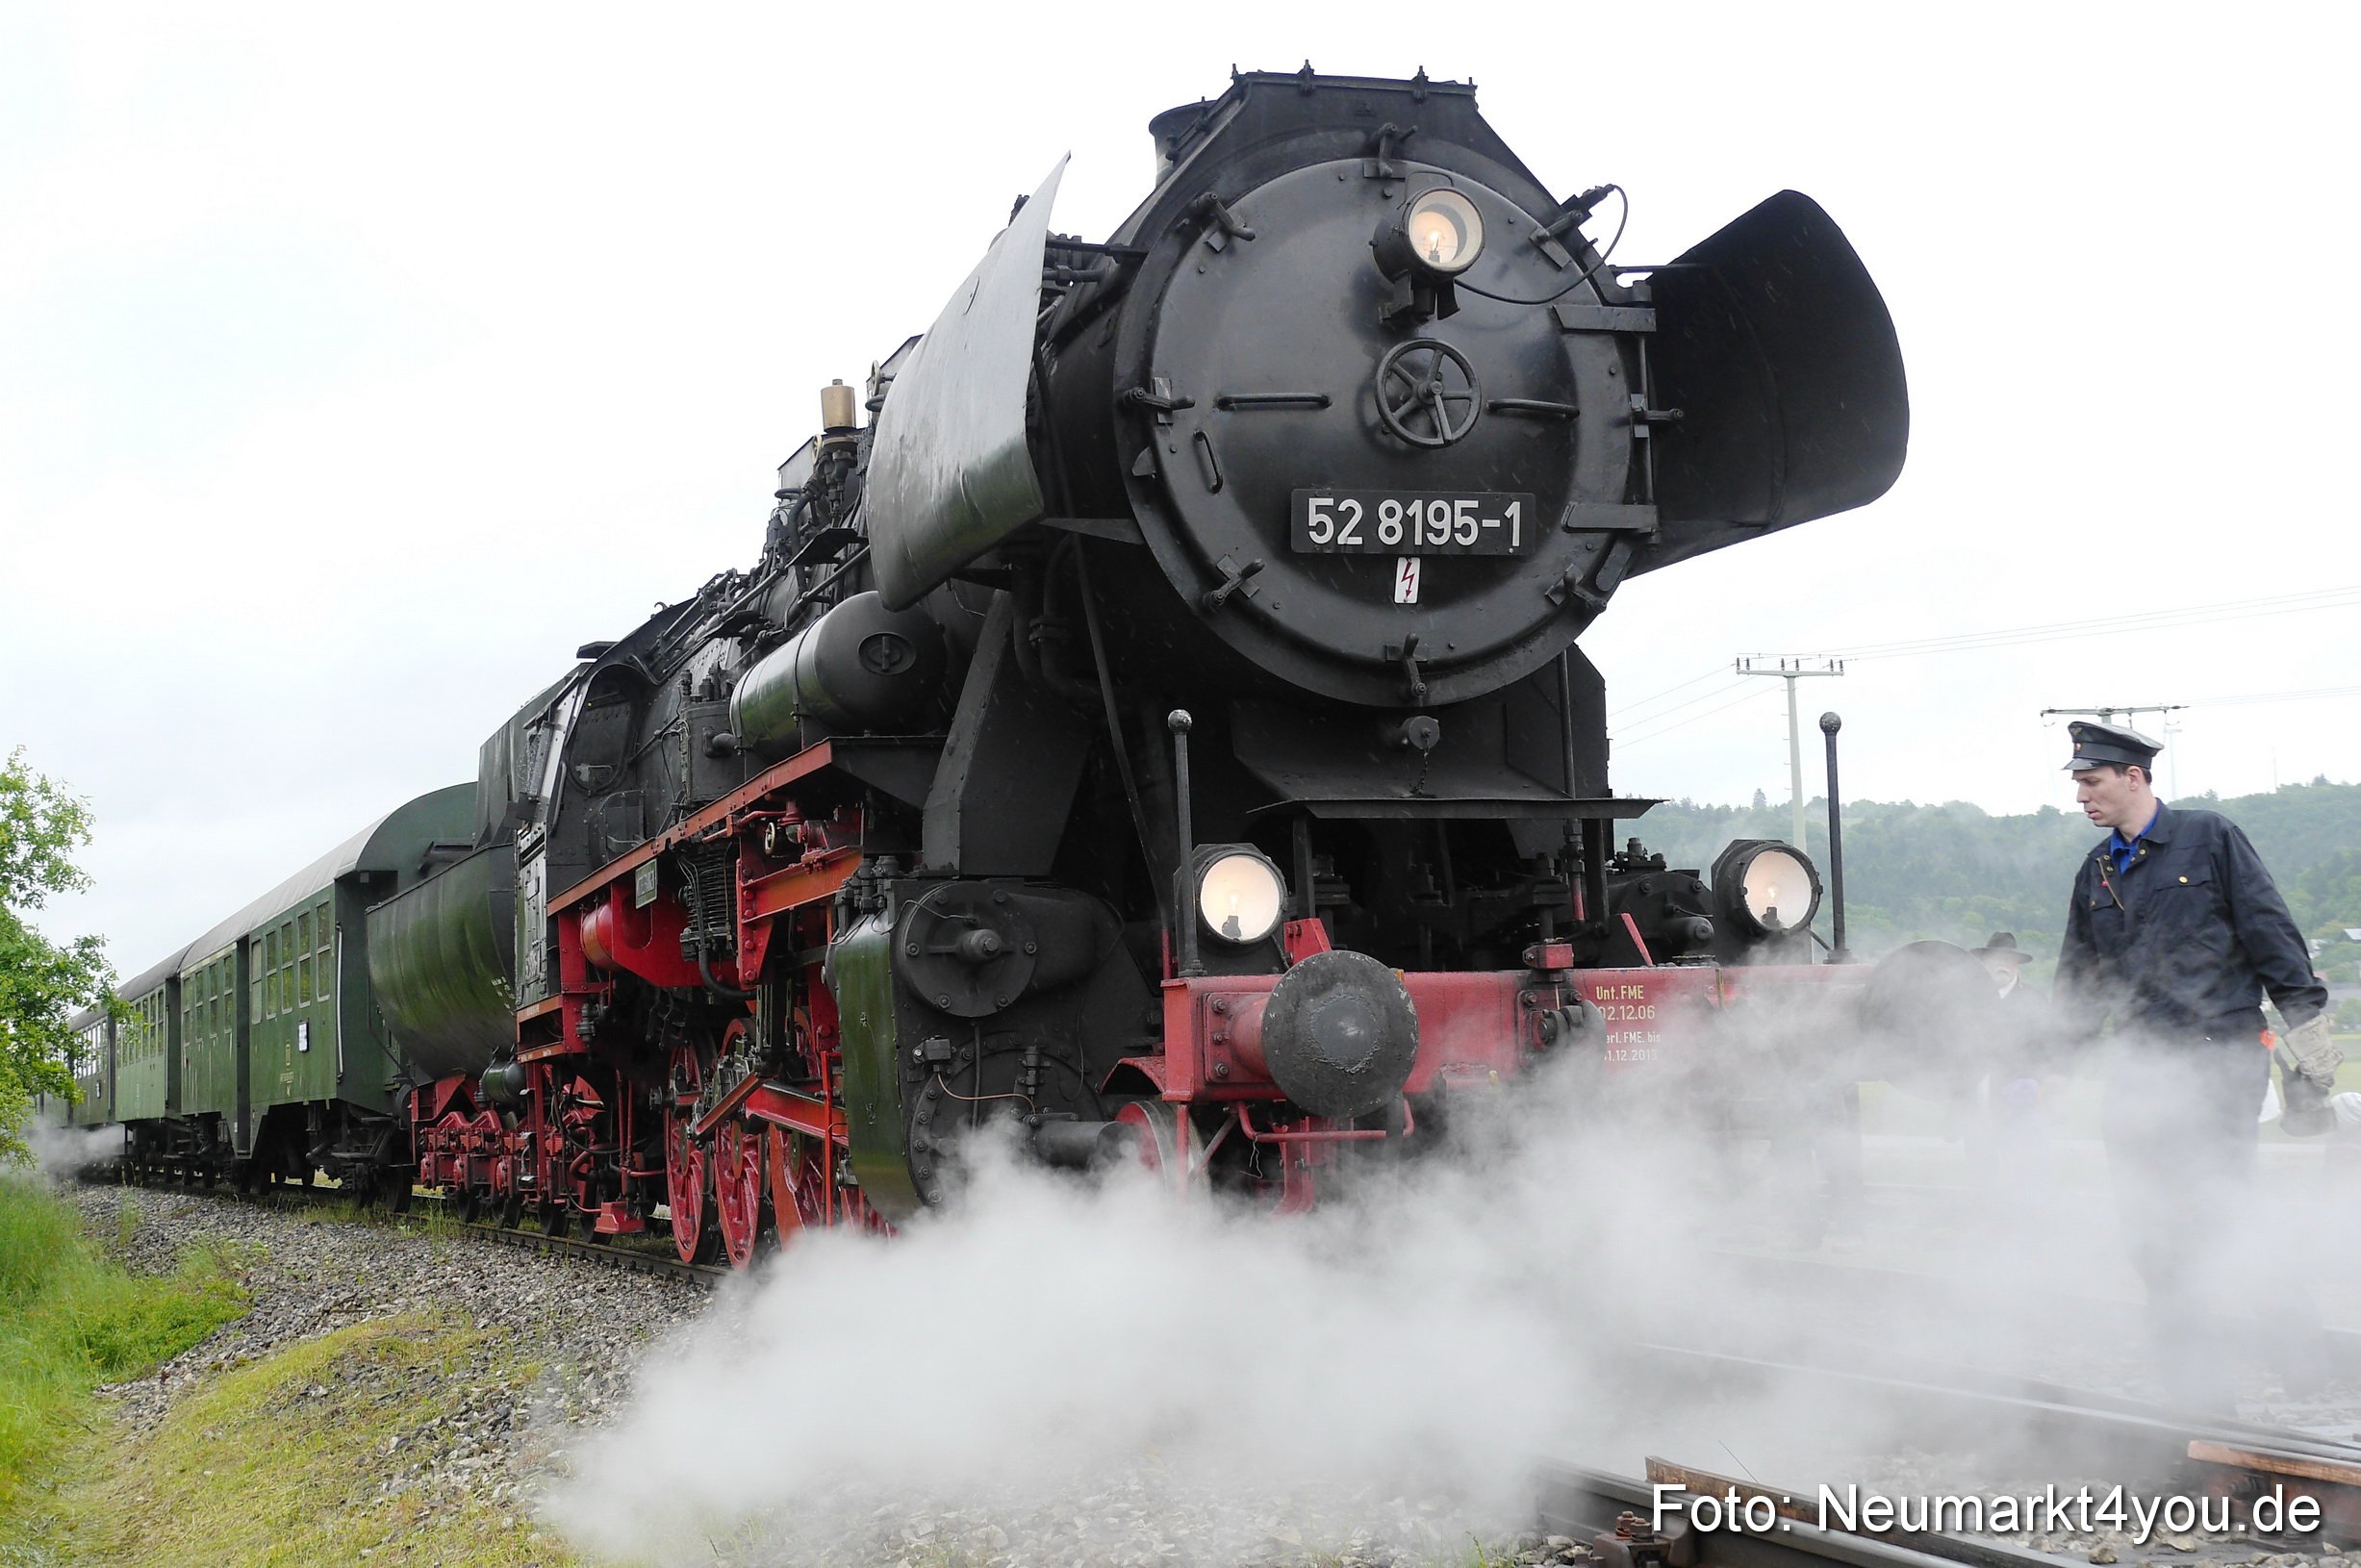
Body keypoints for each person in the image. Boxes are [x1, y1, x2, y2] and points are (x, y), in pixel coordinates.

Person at [2052, 720, 2344, 1412]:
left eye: (2091, 782)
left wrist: (2312, 1039)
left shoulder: (2210, 837)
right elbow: (2078, 986)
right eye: (2077, 785)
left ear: (2134, 777)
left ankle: (2300, 1356)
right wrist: (2039, 1053)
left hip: (2219, 1059)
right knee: (2148, 1225)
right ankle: (2196, 1389)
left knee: (2217, 1208)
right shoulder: (2095, 871)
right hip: (2140, 1067)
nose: (2081, 797)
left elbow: (2270, 931)